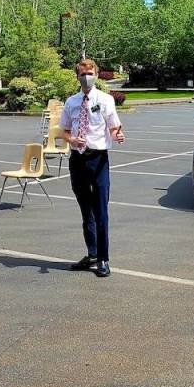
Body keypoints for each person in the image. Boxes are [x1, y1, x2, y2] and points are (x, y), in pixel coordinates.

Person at [60, 59, 125, 278]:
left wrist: (118, 135)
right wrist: (72, 141)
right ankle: (92, 253)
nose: (86, 77)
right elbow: (64, 131)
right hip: (77, 159)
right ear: (77, 76)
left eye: (90, 73)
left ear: (96, 75)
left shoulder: (105, 100)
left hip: (98, 159)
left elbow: (114, 126)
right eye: (82, 73)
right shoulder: (71, 102)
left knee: (101, 212)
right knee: (85, 210)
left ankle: (104, 259)